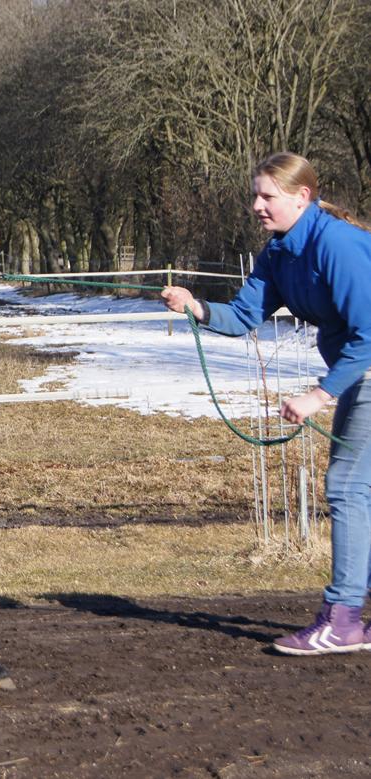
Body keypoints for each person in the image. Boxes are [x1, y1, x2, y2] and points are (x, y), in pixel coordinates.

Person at [161, 151, 371, 656]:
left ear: (302, 197)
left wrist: (317, 397)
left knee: (346, 486)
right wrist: (196, 306)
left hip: (364, 368)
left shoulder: (337, 244)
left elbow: (369, 335)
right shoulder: (279, 253)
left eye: (267, 196)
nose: (257, 204)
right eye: (255, 194)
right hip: (357, 371)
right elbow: (243, 315)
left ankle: (342, 619)